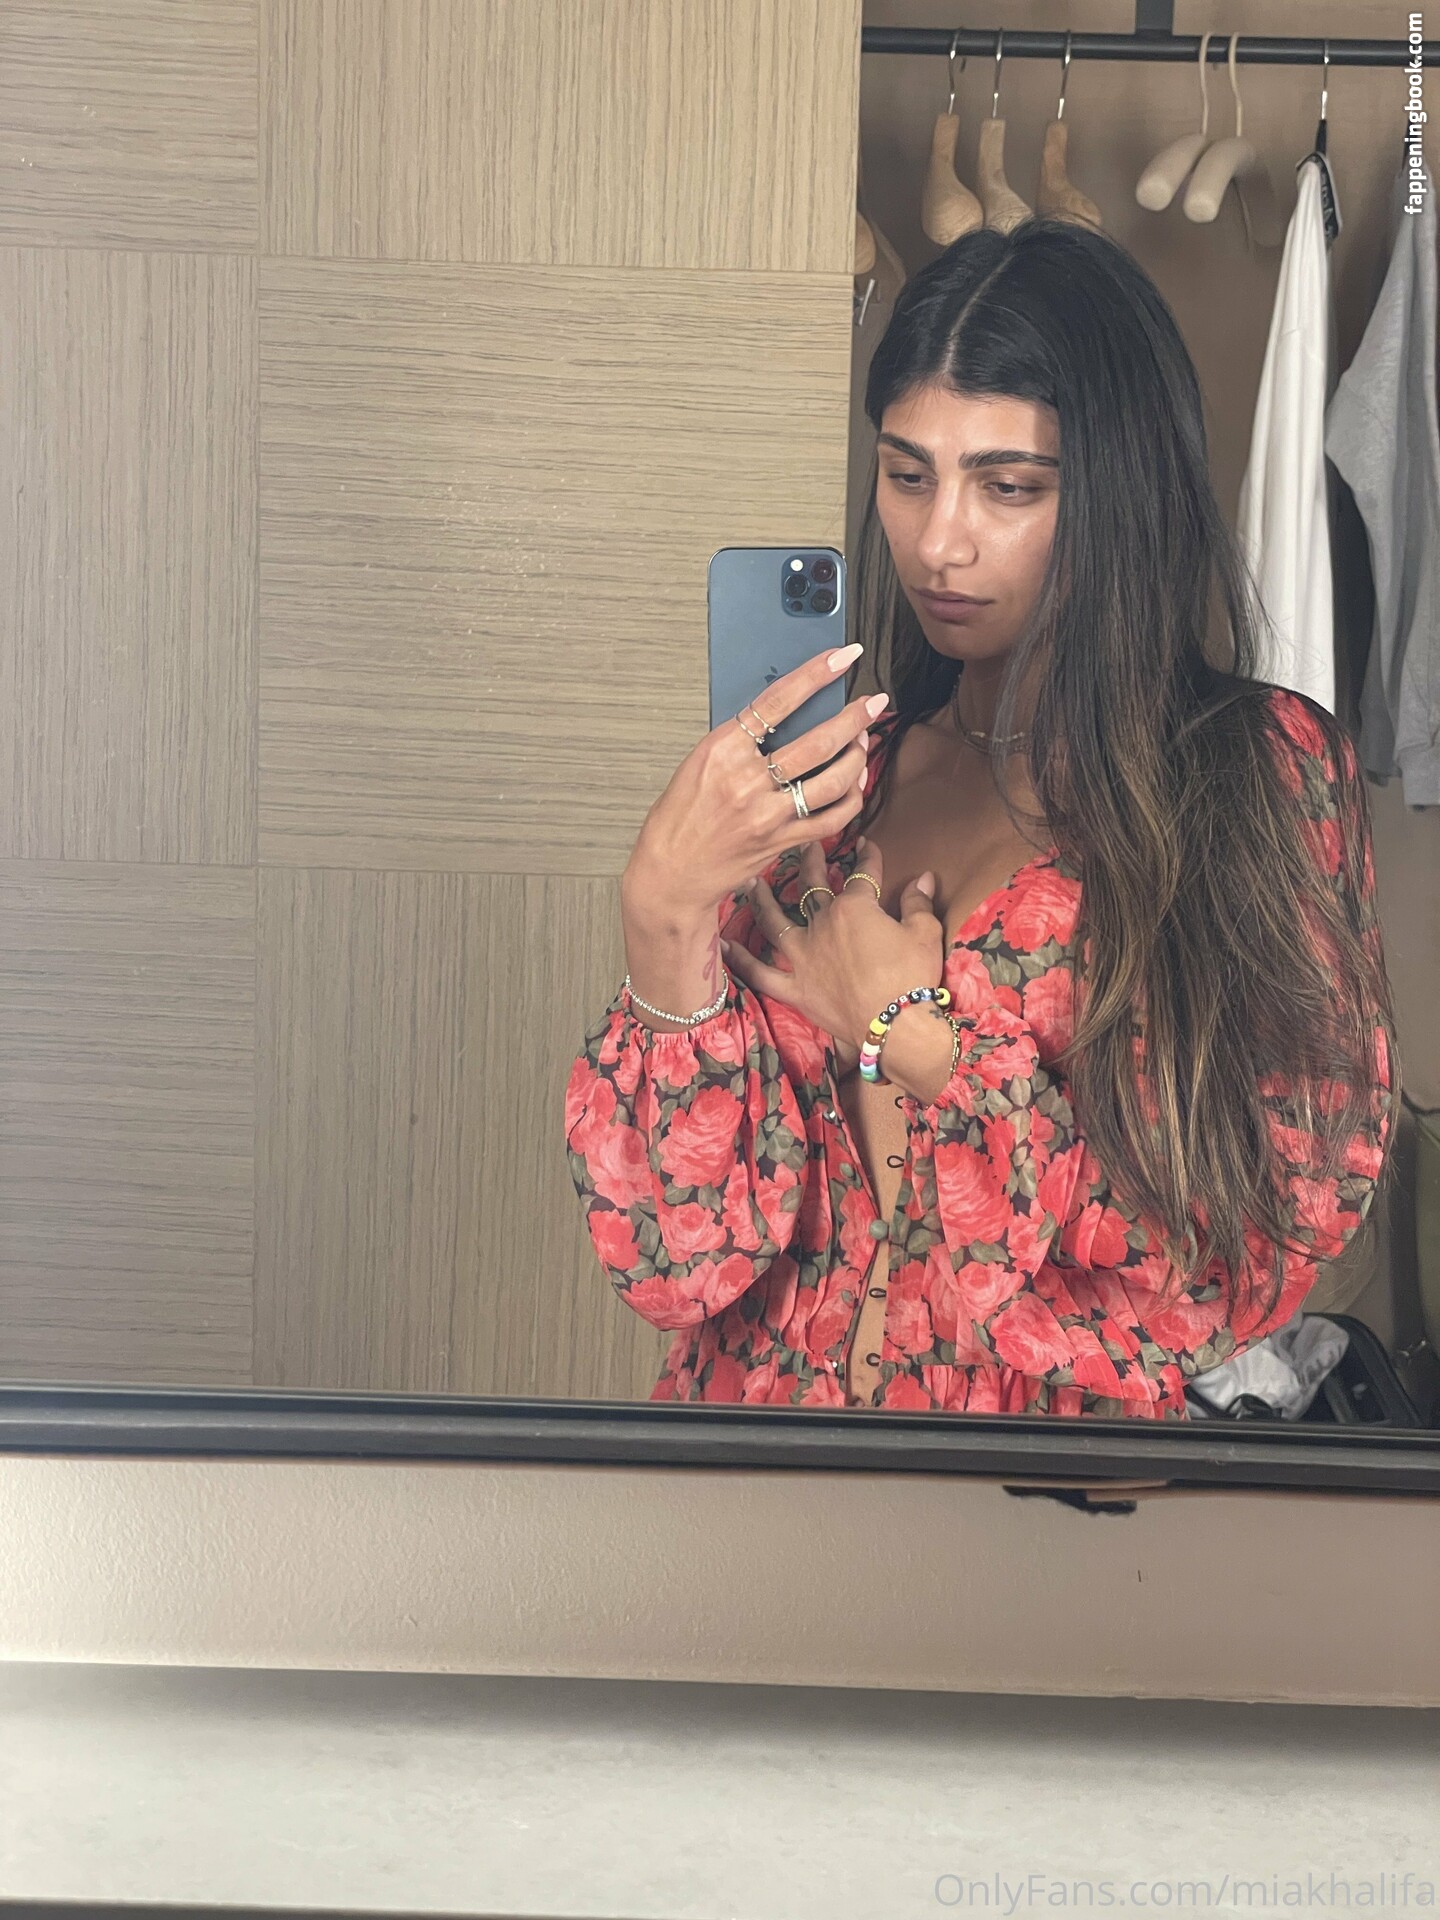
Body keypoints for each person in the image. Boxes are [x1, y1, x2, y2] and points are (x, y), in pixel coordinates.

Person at [564, 216, 1401, 1419]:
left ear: (1121, 490)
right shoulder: (824, 796)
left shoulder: (1253, 778)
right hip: (753, 1477)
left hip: (1038, 1506)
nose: (938, 541)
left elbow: (1248, 1255)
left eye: (1008, 487)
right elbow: (679, 1261)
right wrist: (661, 912)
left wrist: (916, 1037)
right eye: (907, 475)